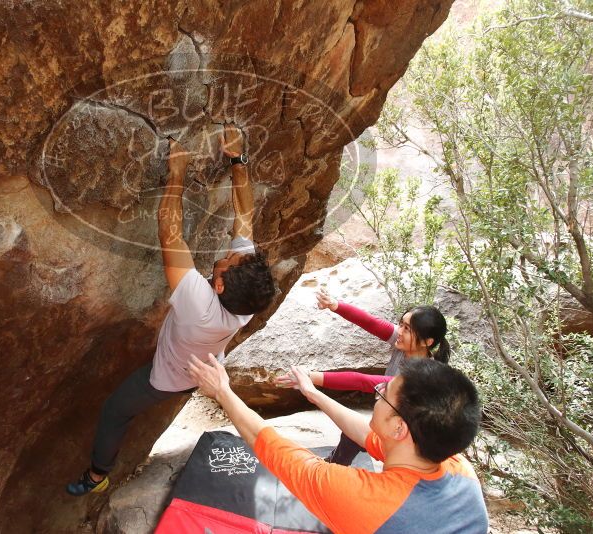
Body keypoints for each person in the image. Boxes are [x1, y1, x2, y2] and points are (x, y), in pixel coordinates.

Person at [66, 125, 276, 495]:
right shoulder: (247, 297)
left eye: (225, 263)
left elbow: (170, 234)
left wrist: (177, 172)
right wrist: (237, 160)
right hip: (206, 362)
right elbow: (245, 214)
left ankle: (97, 476)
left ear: (220, 285)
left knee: (116, 410)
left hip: (168, 377)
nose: (228, 256)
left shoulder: (200, 306)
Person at [188, 354, 488, 533]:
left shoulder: (363, 501)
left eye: (384, 393)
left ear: (399, 427)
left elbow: (270, 445)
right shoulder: (457, 466)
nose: (378, 389)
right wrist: (313, 393)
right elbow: (368, 436)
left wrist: (222, 391)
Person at [276, 291, 451, 465]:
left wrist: (308, 377)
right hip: (390, 421)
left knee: (354, 434)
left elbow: (361, 381)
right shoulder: (406, 344)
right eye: (401, 324)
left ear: (427, 342)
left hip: (404, 440)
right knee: (351, 434)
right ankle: (335, 464)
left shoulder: (419, 377)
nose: (399, 331)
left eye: (407, 329)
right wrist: (335, 305)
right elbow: (371, 323)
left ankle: (335, 467)